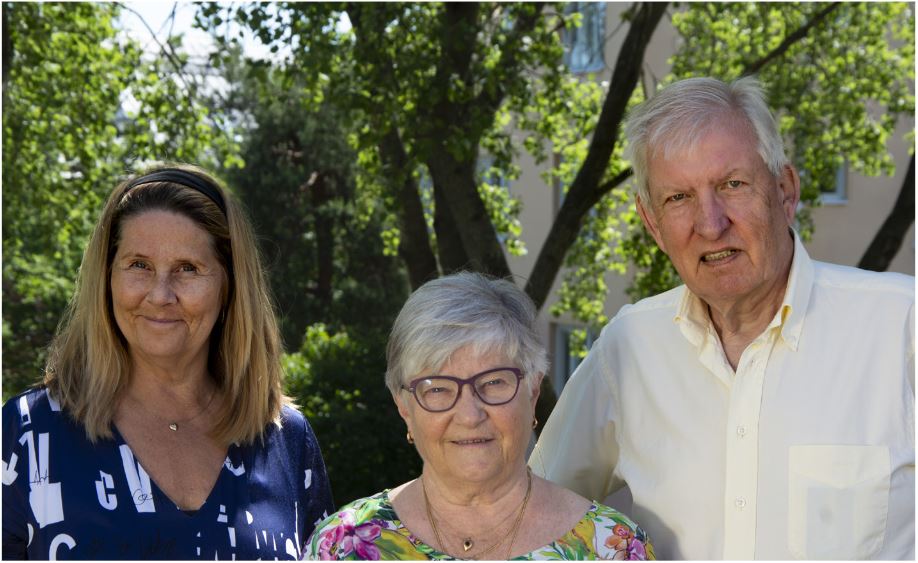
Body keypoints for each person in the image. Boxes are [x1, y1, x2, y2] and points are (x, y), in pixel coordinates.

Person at [530, 76, 915, 559]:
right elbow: (529, 510)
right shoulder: (627, 349)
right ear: (652, 224)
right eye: (678, 198)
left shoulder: (902, 326)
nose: (711, 224)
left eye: (732, 185)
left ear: (785, 192)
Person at [2, 164, 335, 559]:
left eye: (187, 269)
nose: (160, 295)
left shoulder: (285, 439)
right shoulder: (26, 434)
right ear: (107, 278)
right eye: (139, 265)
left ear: (229, 287)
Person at [304, 272, 654, 560]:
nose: (469, 415)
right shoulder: (340, 546)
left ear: (533, 391)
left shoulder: (613, 548)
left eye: (494, 382)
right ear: (404, 406)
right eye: (438, 389)